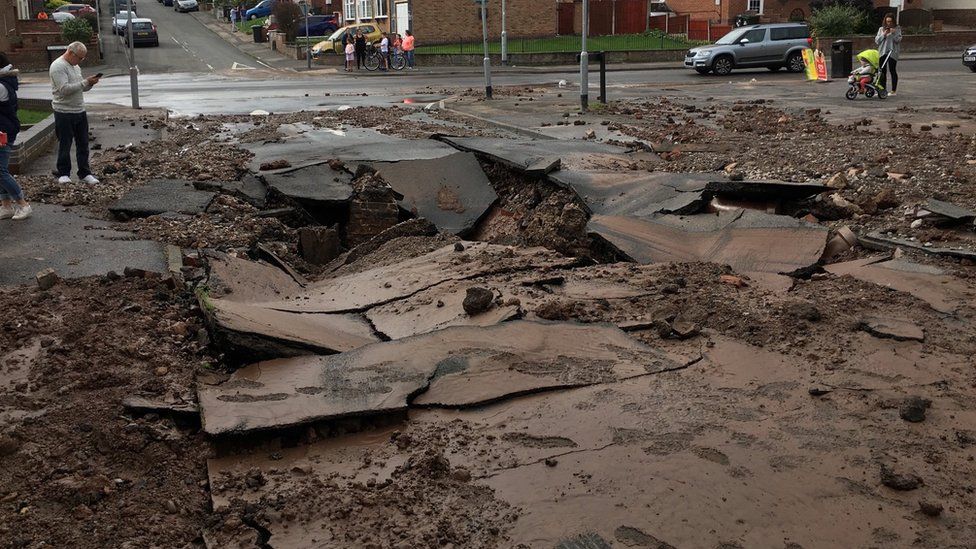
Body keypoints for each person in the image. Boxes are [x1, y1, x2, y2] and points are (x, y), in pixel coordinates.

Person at [50, 41, 100, 185]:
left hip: (79, 109)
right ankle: (63, 173)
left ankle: (85, 173)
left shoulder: (75, 66)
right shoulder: (58, 66)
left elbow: (80, 88)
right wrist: (85, 82)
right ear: (71, 53)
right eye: (80, 57)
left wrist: (90, 83)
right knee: (65, 143)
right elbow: (64, 89)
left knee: (83, 143)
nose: (81, 60)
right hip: (63, 111)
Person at [0, 53, 31, 220]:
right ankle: (6, 206)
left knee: (0, 171)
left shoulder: (1, 86)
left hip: (3, 132)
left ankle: (23, 204)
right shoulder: (7, 82)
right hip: (5, 129)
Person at [875, 13, 902, 96]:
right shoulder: (881, 29)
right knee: (882, 71)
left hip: (892, 52)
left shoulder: (897, 29)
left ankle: (893, 91)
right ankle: (882, 90)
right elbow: (877, 41)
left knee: (892, 70)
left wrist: (893, 33)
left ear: (893, 21)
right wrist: (884, 34)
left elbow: (898, 40)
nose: (889, 23)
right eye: (887, 21)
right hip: (882, 52)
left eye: (890, 21)